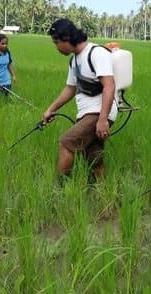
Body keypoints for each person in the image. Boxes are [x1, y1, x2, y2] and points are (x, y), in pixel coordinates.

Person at [43, 18, 117, 181]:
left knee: (66, 143)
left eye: (56, 43)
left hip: (99, 112)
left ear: (66, 38)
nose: (56, 48)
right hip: (86, 113)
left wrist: (103, 119)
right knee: (93, 157)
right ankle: (105, 192)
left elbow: (109, 86)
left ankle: (58, 188)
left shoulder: (96, 53)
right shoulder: (75, 60)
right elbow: (70, 88)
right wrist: (51, 109)